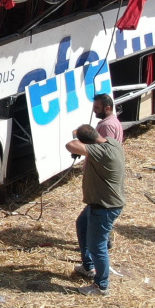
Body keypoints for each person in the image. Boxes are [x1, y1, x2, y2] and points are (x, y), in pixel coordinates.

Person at [66, 124, 125, 296]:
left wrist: (81, 146)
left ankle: (101, 286)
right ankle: (87, 266)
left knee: (97, 246)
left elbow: (71, 145)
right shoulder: (112, 143)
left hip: (104, 207)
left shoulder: (103, 152)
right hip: (99, 203)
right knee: (82, 225)